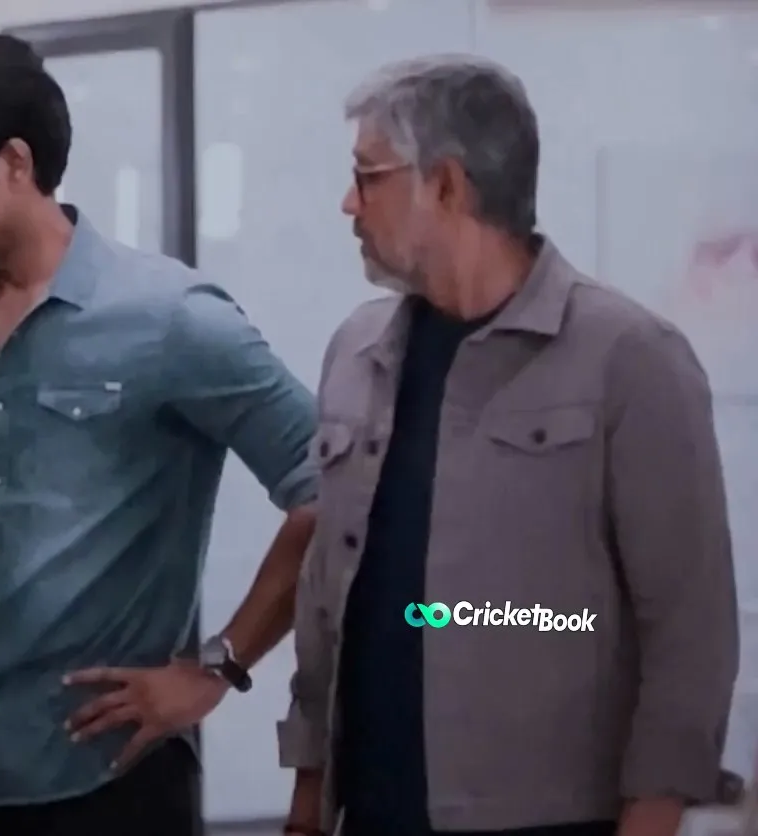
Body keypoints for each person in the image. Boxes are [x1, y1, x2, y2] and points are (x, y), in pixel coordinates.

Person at [280, 54, 739, 836]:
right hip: (372, 811)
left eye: (368, 176)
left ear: (446, 185)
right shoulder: (357, 351)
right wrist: (305, 803)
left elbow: (689, 630)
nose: (349, 203)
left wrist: (653, 817)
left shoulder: (629, 358)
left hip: (551, 816)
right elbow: (329, 602)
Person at [0, 35, 321, 836]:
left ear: (14, 163)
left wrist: (218, 667)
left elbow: (329, 490)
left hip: (113, 776)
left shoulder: (172, 319)